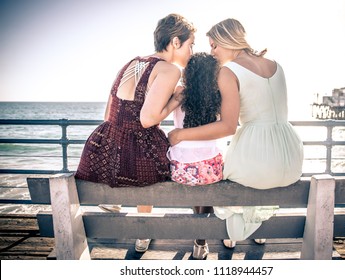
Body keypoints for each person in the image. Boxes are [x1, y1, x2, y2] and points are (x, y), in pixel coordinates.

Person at [168, 18, 303, 248]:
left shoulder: (228, 72)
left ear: (227, 41)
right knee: (252, 171)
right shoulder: (276, 65)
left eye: (214, 45)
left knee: (221, 174)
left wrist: (180, 135)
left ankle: (235, 231)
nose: (211, 52)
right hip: (291, 156)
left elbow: (228, 127)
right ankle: (259, 226)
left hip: (258, 155)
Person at [75, 13, 196, 253]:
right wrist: (176, 99)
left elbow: (109, 110)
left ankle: (117, 204)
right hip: (140, 158)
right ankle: (144, 233)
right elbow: (147, 119)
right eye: (190, 44)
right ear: (175, 42)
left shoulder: (132, 62)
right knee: (157, 154)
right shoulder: (169, 70)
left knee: (137, 148)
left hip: (104, 147)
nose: (191, 52)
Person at [167, 52, 223, 259]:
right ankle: (201, 240)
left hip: (181, 171)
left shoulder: (181, 92)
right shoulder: (217, 96)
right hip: (209, 170)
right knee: (208, 168)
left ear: (189, 73)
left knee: (195, 168)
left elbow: (161, 112)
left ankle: (199, 236)